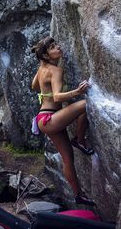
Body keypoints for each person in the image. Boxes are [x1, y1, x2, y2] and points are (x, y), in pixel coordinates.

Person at [31, 36, 95, 206]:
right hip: (51, 118)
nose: (58, 47)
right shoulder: (55, 70)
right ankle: (80, 140)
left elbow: (34, 86)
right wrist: (77, 91)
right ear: (46, 55)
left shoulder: (42, 68)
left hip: (43, 119)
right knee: (85, 104)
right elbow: (58, 97)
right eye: (52, 47)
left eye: (56, 44)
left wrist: (46, 93)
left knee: (68, 159)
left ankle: (78, 195)